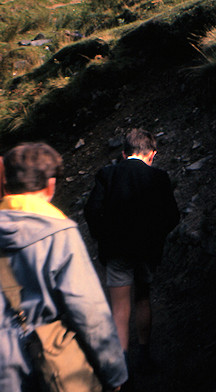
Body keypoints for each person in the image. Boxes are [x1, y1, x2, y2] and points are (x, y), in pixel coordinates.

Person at [0, 142, 128, 392]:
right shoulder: (58, 232)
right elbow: (89, 312)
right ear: (50, 185)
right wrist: (115, 373)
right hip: (53, 365)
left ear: (7, 184)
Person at [84, 128, 180, 364]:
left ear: (124, 154)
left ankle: (123, 363)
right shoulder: (159, 178)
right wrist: (155, 237)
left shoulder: (107, 174)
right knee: (143, 299)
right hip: (146, 251)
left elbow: (92, 212)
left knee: (119, 307)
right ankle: (145, 354)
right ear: (152, 154)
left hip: (116, 251)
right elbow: (172, 217)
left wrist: (103, 238)